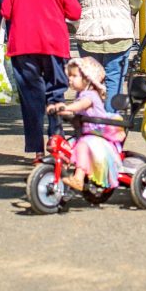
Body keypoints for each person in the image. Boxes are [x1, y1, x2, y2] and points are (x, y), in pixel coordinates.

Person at [1, 0, 82, 161]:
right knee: (56, 93)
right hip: (54, 43)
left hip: (23, 43)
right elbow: (74, 12)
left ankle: (36, 148)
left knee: (30, 97)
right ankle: (56, 138)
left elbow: (6, 10)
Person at [71, 0, 140, 113]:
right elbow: (135, 3)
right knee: (114, 79)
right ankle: (110, 120)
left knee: (91, 81)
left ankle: (92, 120)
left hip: (88, 33)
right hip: (119, 32)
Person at [47, 57, 125, 191]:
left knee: (82, 146)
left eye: (74, 76)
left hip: (97, 137)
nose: (70, 79)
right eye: (69, 76)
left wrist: (66, 107)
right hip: (86, 135)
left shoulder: (90, 95)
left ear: (88, 79)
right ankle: (60, 173)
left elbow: (81, 105)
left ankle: (78, 178)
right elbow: (74, 110)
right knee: (66, 146)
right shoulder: (81, 94)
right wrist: (57, 109)